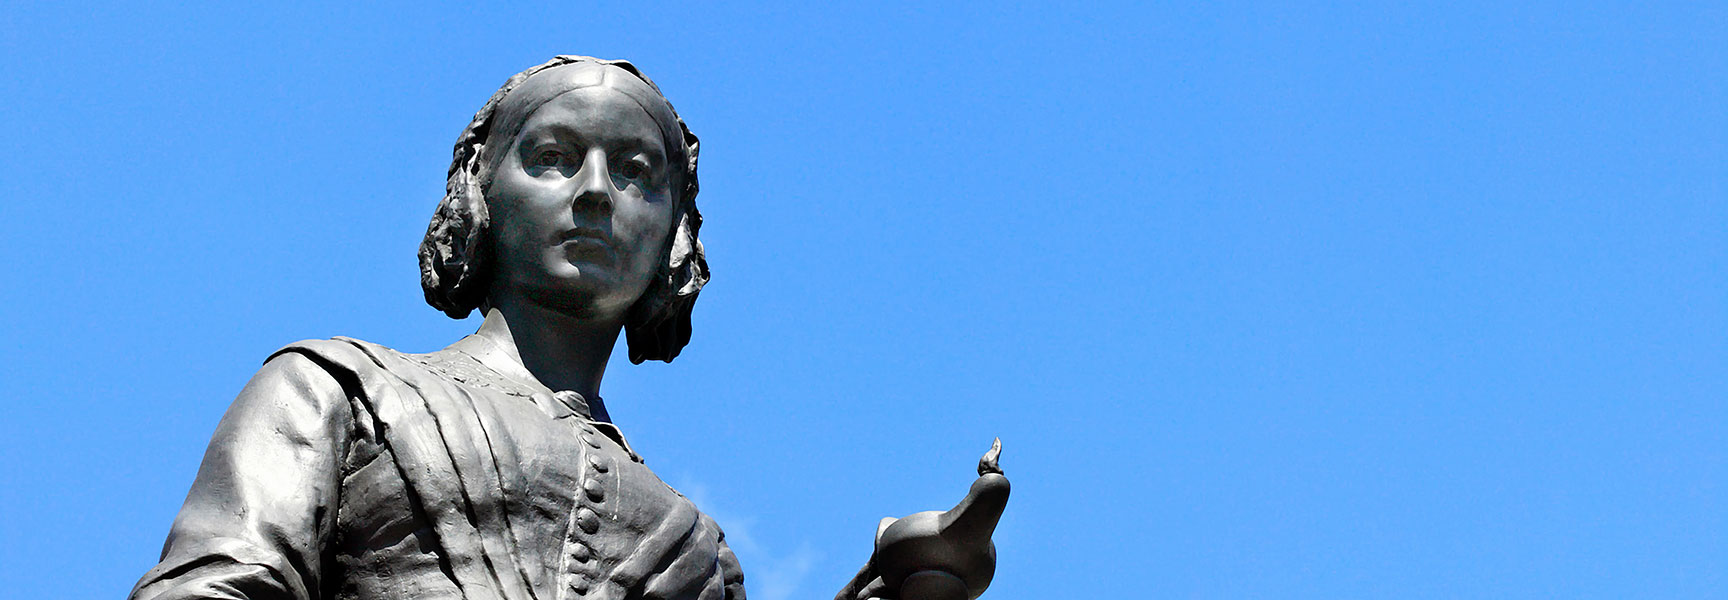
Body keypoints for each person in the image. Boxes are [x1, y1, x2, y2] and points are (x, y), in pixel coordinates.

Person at [132, 56, 1003, 600]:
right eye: (551, 158)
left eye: (636, 173)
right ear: (481, 195)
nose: (594, 191)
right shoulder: (338, 391)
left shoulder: (699, 553)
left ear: (674, 237)